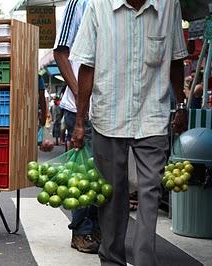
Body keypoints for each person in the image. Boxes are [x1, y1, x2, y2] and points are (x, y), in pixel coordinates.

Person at [70, 1, 188, 265]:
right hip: (108, 117)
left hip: (152, 116)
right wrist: (79, 121)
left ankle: (145, 261)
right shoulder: (98, 6)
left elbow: (177, 58)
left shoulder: (169, 5)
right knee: (113, 197)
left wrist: (180, 104)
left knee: (150, 192)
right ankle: (112, 259)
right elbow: (86, 65)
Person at [53, 0, 99, 254]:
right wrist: (80, 92)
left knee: (105, 173)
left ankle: (98, 227)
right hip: (79, 107)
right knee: (84, 174)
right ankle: (83, 231)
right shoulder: (78, 4)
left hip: (109, 108)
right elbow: (61, 52)